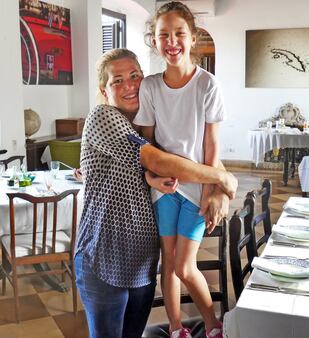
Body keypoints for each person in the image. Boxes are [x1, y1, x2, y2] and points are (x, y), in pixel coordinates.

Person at [75, 48, 236, 338]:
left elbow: (190, 157)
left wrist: (220, 190)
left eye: (135, 76)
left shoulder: (148, 121)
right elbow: (159, 161)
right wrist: (222, 179)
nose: (130, 85)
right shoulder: (103, 116)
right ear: (103, 89)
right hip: (103, 258)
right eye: (118, 80)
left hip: (141, 263)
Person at [134, 3, 226, 338]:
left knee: (186, 266)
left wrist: (210, 188)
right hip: (164, 189)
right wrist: (154, 178)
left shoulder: (207, 84)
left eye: (178, 34)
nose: (171, 41)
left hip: (196, 188)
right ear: (154, 41)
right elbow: (147, 144)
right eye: (163, 35)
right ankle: (176, 329)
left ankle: (214, 325)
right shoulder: (150, 87)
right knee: (168, 263)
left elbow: (211, 145)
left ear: (192, 37)